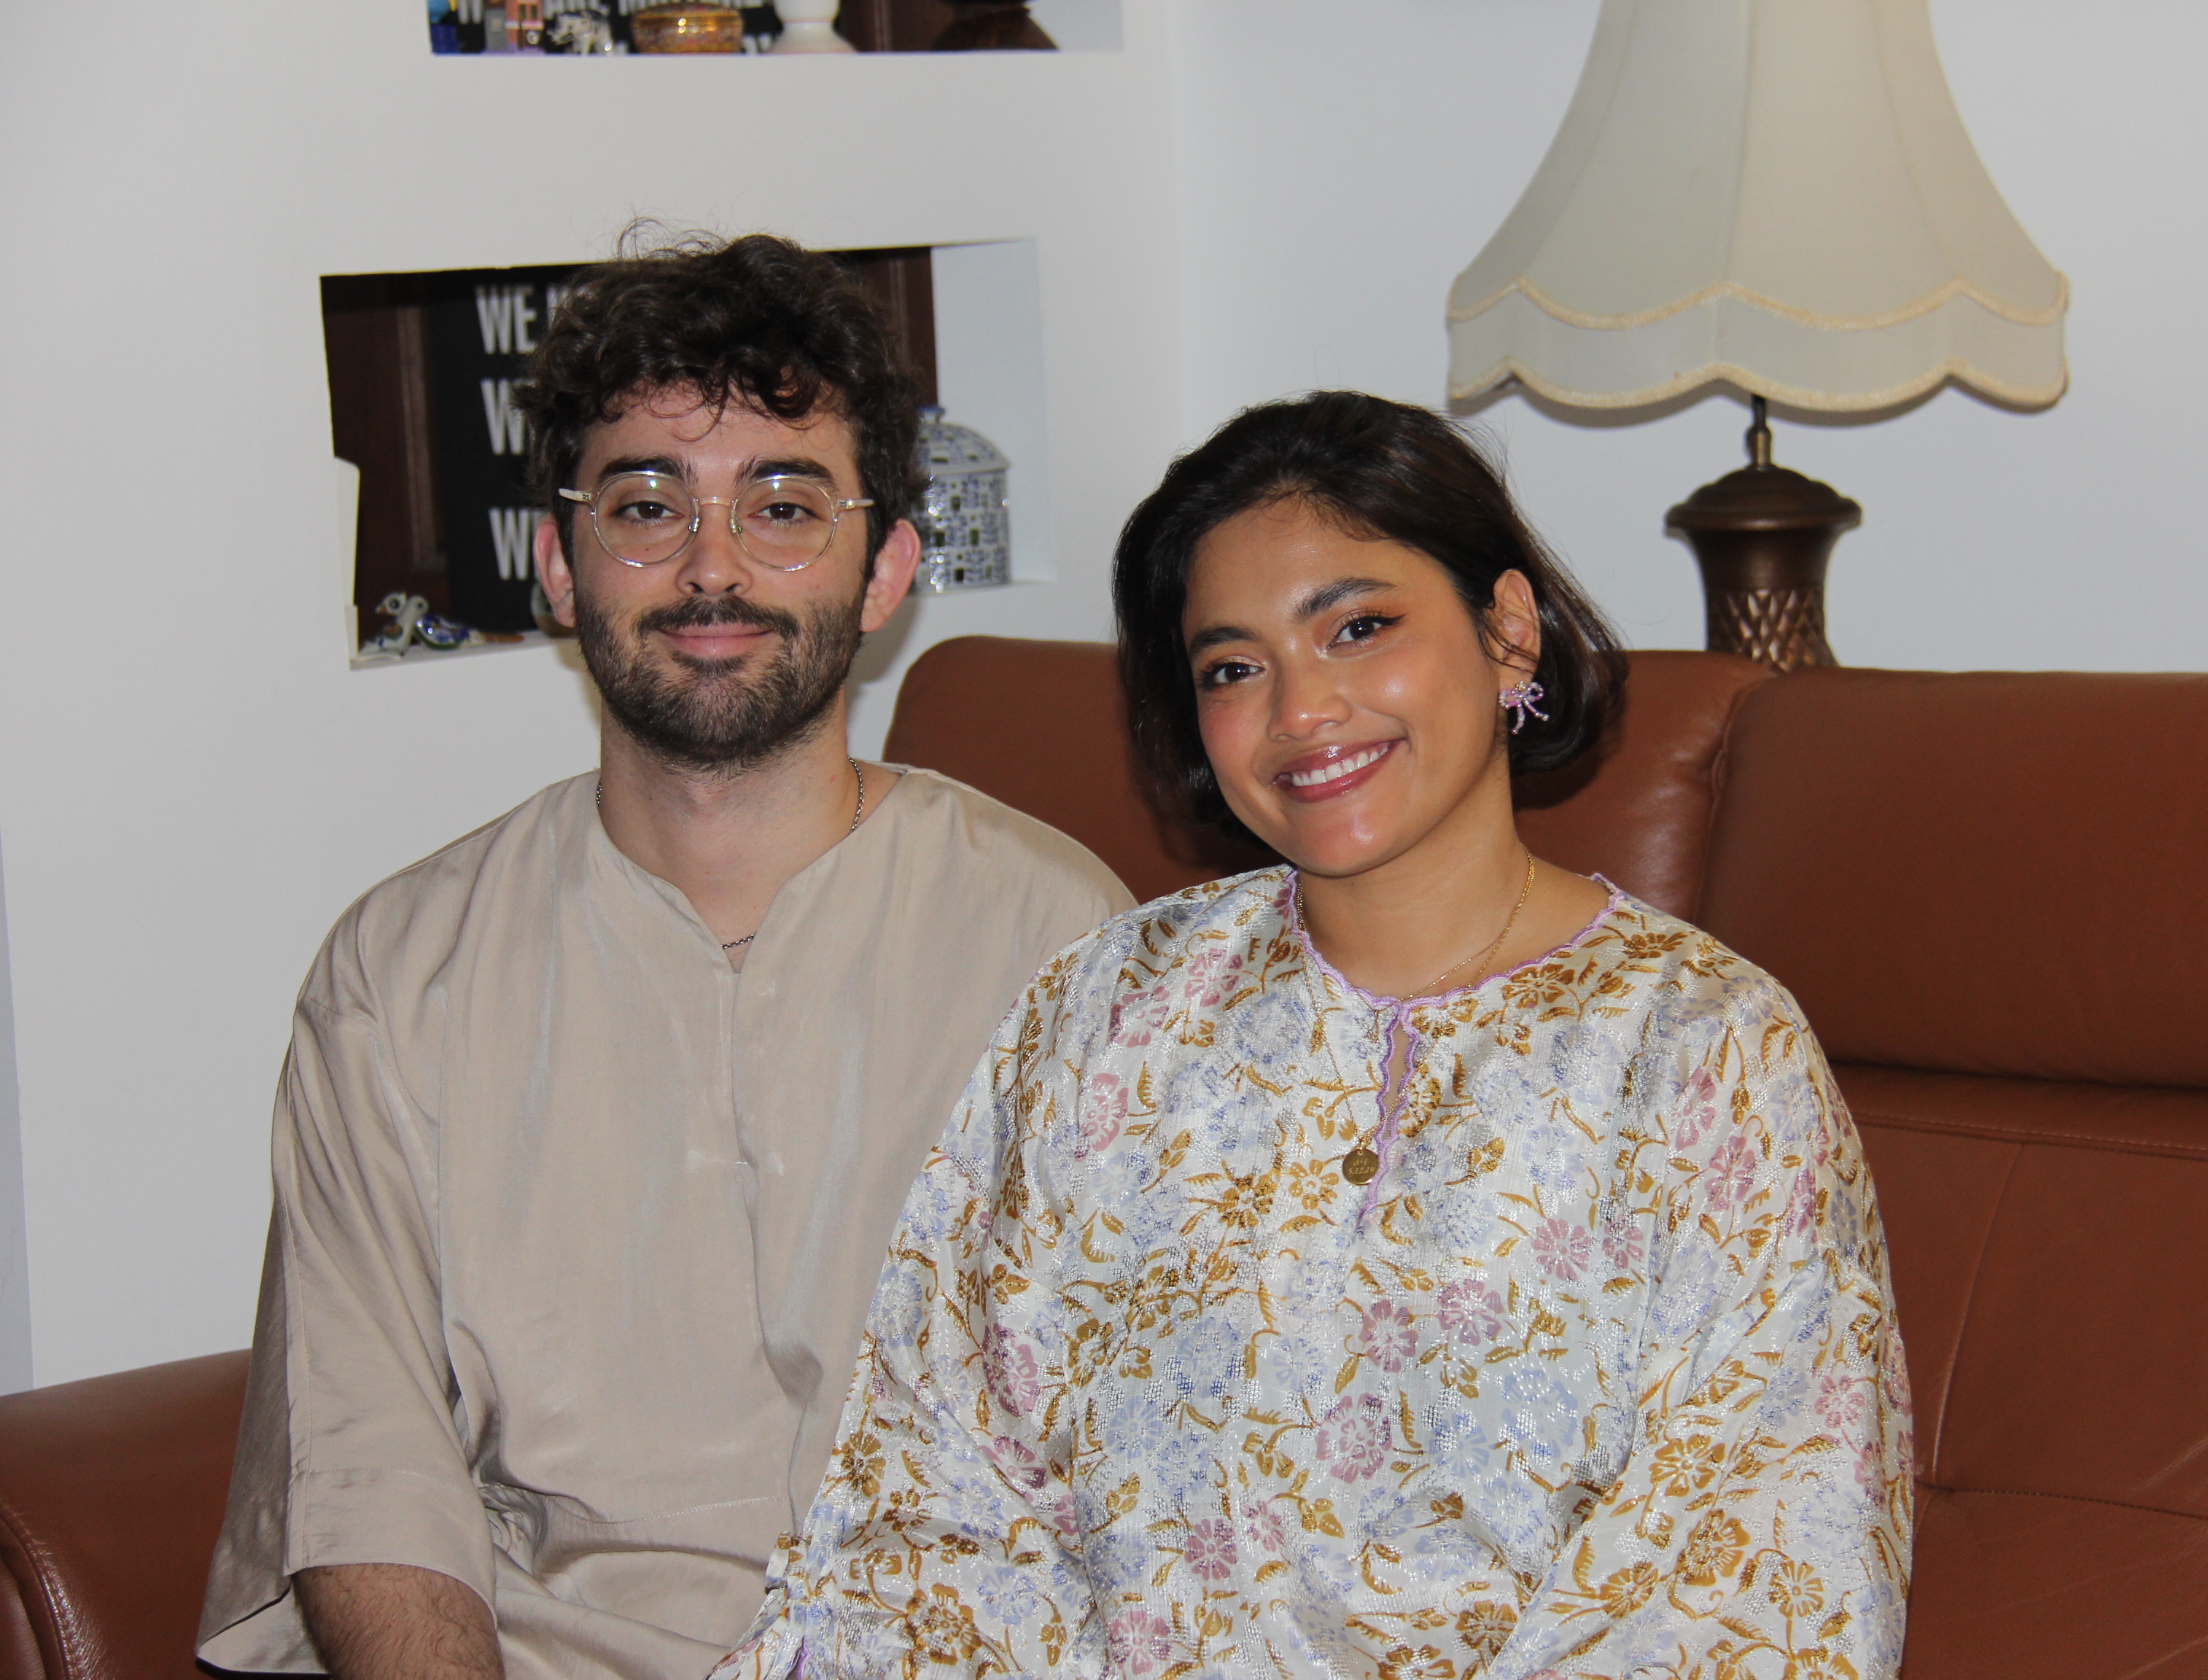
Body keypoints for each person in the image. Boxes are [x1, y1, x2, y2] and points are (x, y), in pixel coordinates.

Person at [712, 391, 1913, 1679]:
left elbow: (1749, 1566)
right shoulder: (1109, 1009)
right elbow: (944, 1479)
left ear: (1508, 632)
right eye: (1234, 668)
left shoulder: (1704, 1052)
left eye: (1358, 628)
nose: (1301, 711)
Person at [196, 234, 1132, 1680]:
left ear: (885, 569)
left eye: (783, 508)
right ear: (561, 567)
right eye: (646, 506)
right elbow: (366, 1475)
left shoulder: (1059, 943)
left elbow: (1142, 1454)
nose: (712, 568)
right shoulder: (400, 977)